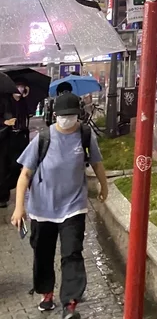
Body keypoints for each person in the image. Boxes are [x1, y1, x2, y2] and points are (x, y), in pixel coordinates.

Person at [11, 92, 109, 318]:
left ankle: (70, 302)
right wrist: (19, 208)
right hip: (42, 208)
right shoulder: (43, 138)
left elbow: (97, 163)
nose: (68, 119)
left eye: (72, 115)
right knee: (43, 254)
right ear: (55, 116)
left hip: (73, 206)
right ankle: (46, 292)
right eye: (63, 116)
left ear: (79, 115)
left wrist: (104, 187)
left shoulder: (85, 135)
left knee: (72, 252)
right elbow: (25, 174)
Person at [0, 78, 31, 208]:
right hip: (5, 139)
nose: (20, 90)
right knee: (3, 167)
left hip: (20, 138)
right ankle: (3, 196)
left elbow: (28, 114)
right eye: (18, 87)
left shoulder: (23, 102)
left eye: (22, 87)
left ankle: (9, 186)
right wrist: (5, 123)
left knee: (16, 165)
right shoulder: (4, 101)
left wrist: (24, 98)